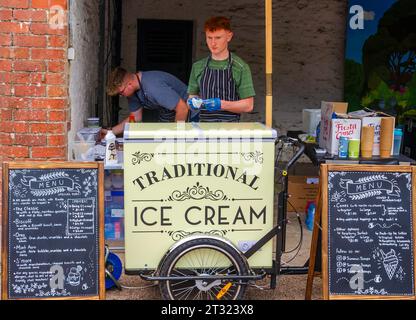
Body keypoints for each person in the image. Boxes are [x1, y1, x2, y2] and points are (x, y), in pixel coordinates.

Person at [187, 16, 255, 122]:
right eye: (209, 38)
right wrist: (192, 102)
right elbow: (191, 97)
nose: (213, 43)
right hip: (204, 128)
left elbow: (248, 105)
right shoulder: (198, 66)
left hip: (230, 130)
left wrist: (221, 104)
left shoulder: (240, 67)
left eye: (218, 38)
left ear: (229, 36)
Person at [103, 67, 190, 137]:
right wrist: (110, 132)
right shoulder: (132, 94)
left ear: (129, 84)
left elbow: (182, 109)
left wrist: (176, 136)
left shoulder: (153, 86)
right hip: (168, 115)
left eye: (121, 92)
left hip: (189, 115)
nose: (121, 96)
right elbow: (136, 117)